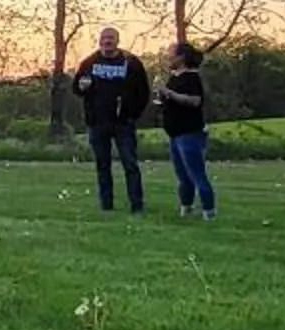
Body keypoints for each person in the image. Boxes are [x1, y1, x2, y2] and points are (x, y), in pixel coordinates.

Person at [72, 27, 148, 214]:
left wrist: (132, 114)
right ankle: (106, 206)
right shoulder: (89, 63)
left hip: (123, 123)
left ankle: (137, 205)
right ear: (99, 41)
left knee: (130, 164)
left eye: (111, 38)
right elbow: (77, 88)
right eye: (104, 38)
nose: (107, 41)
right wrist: (82, 87)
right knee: (102, 165)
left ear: (117, 41)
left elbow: (143, 92)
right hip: (98, 123)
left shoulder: (131, 63)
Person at [155, 41, 214, 219]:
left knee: (197, 174)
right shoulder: (175, 77)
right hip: (175, 133)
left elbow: (195, 101)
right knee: (182, 176)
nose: (167, 56)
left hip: (190, 133)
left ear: (181, 57)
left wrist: (168, 93)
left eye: (170, 53)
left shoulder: (191, 78)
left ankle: (209, 211)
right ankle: (186, 208)